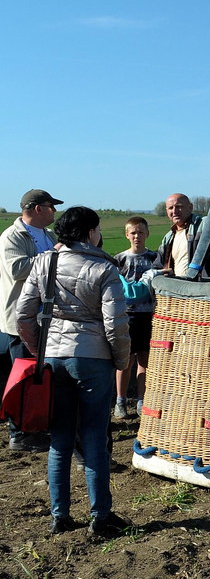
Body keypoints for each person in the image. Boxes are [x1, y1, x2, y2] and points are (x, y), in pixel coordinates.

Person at [16, 206, 132, 537]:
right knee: (95, 437)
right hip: (94, 359)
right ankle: (101, 517)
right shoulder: (105, 268)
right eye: (96, 229)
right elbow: (115, 324)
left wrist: (41, 352)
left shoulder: (43, 262)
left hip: (53, 357)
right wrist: (120, 361)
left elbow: (23, 316)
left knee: (61, 438)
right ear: (89, 232)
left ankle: (60, 516)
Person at [0, 189, 60, 452]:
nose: (54, 211)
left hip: (45, 318)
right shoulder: (11, 237)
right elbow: (17, 269)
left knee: (41, 376)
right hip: (20, 320)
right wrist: (51, 257)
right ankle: (18, 433)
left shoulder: (48, 235)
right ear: (37, 209)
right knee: (22, 376)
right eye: (50, 206)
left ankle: (37, 424)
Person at [114, 216, 158, 418]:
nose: (137, 236)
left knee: (145, 360)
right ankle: (120, 401)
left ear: (147, 234)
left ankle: (142, 400)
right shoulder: (119, 259)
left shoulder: (154, 258)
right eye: (133, 232)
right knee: (125, 361)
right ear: (126, 235)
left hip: (149, 315)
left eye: (141, 232)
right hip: (127, 315)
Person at [156, 193, 210, 279]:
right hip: (178, 289)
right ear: (167, 211)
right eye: (170, 208)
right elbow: (158, 266)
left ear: (190, 207)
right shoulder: (168, 238)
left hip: (204, 288)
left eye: (179, 206)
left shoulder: (207, 225)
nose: (175, 211)